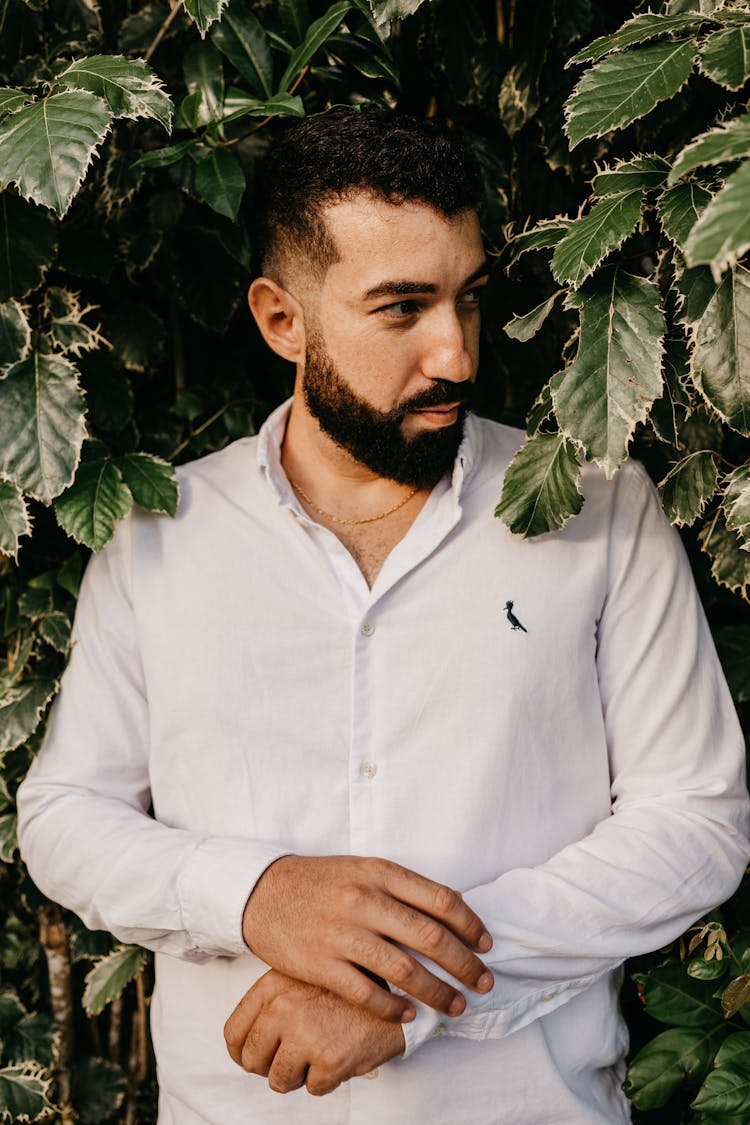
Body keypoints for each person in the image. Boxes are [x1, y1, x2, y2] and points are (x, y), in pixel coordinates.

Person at [16, 108, 750, 1125]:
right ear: (283, 320)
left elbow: (695, 824)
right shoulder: (157, 537)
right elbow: (62, 818)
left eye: (467, 299)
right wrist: (254, 894)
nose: (454, 355)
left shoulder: (600, 511)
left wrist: (410, 990)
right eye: (402, 309)